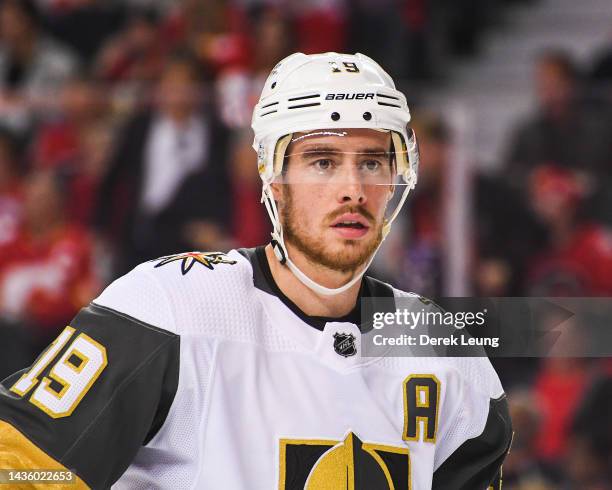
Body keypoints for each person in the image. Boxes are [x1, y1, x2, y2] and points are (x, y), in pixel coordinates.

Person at [0, 52, 512, 489]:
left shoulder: (449, 353)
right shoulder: (169, 306)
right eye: (323, 161)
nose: (353, 188)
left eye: (373, 163)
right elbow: (21, 465)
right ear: (273, 176)